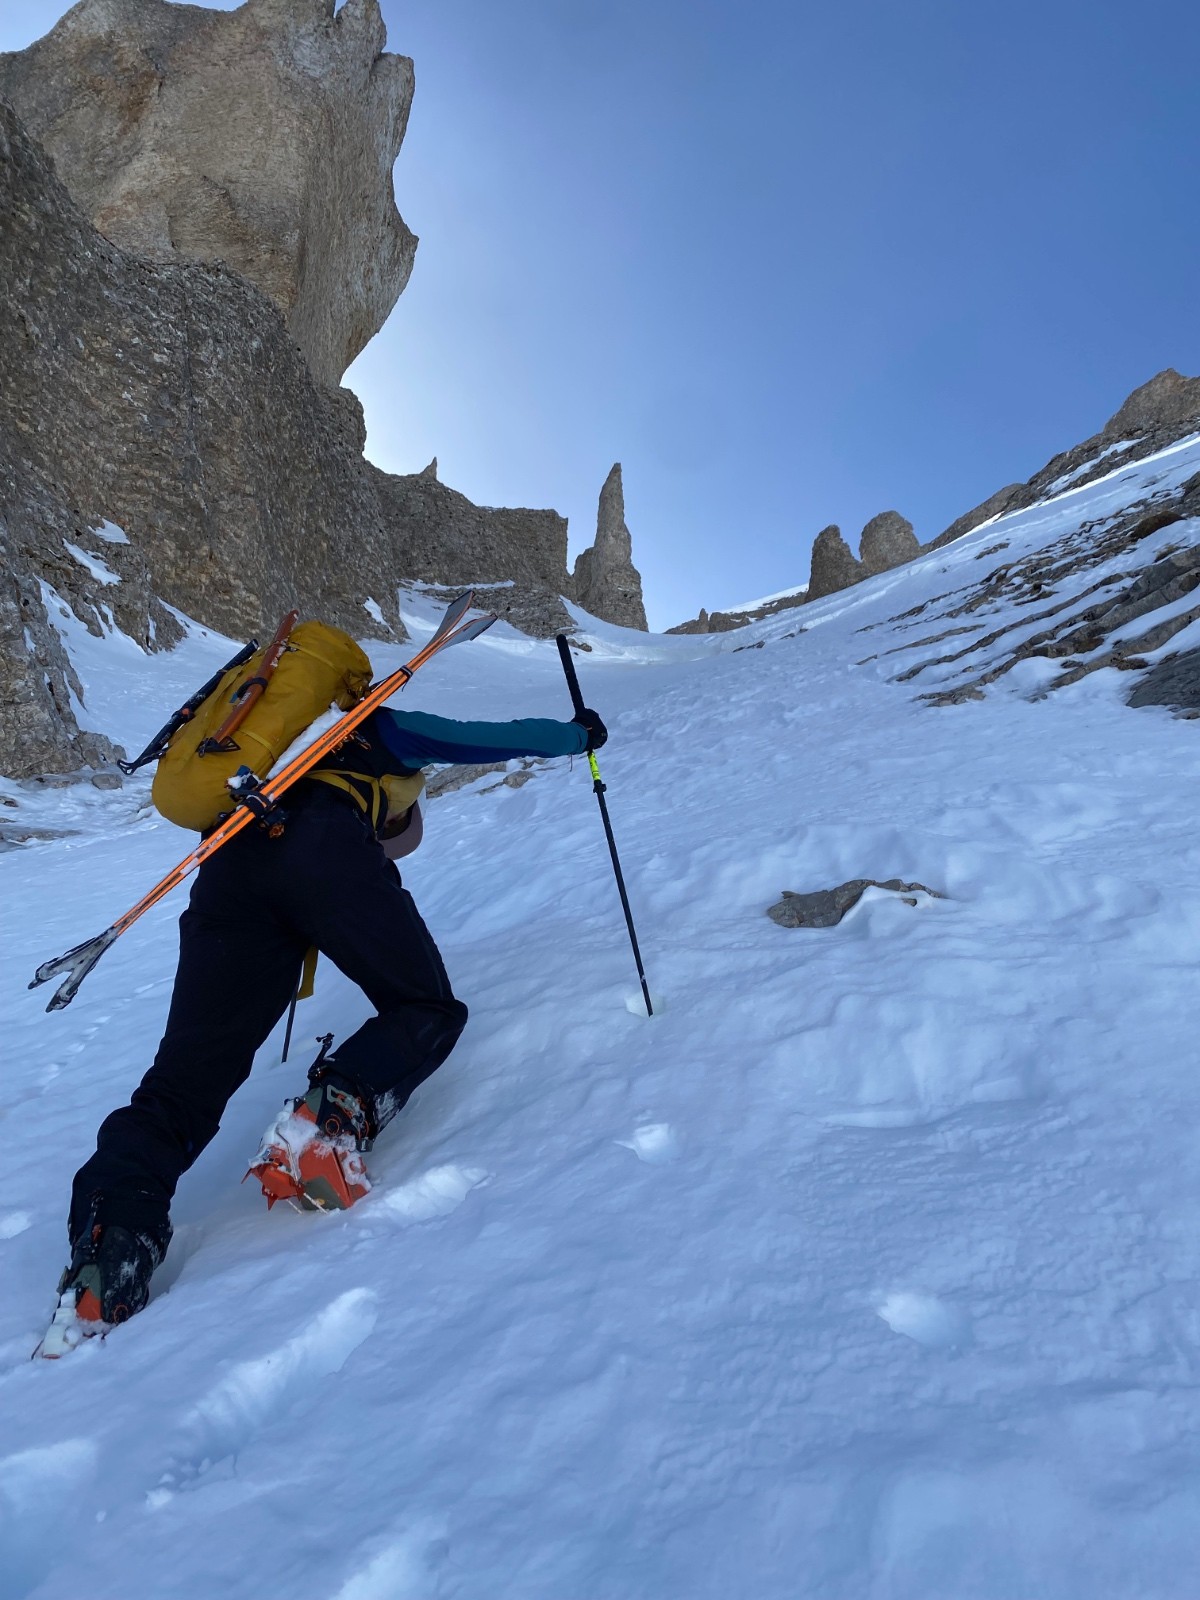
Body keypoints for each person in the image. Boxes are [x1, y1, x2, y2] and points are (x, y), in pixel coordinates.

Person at [51, 697, 607, 1337]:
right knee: (423, 1004)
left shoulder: (262, 750)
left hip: (225, 867)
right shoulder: (371, 726)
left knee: (183, 1081)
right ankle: (328, 1119)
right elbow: (485, 736)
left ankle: (111, 1242)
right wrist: (577, 736)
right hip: (321, 844)